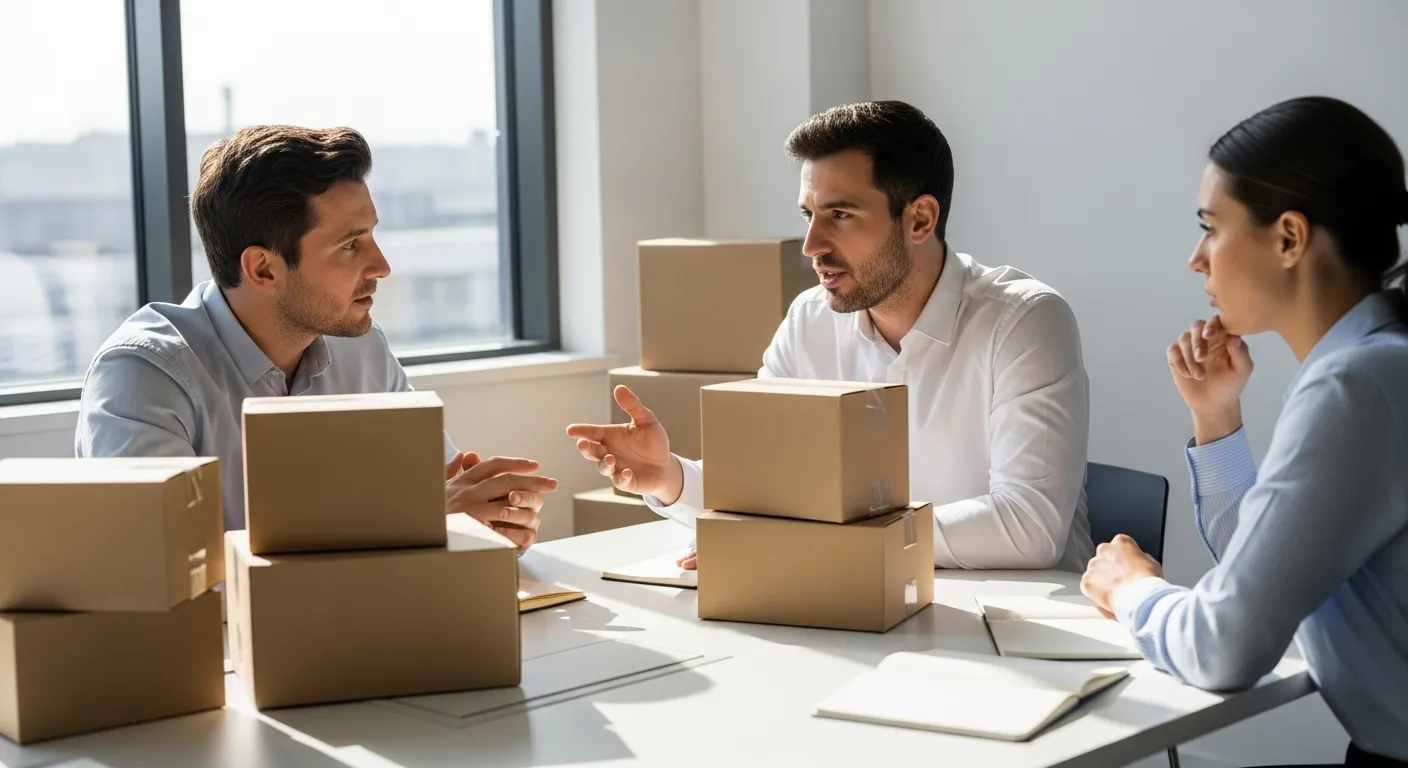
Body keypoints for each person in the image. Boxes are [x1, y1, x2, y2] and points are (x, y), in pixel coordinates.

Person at [568, 101, 1094, 571]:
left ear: (919, 218)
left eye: (839, 215)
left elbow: (1028, 527)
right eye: (808, 215)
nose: (811, 244)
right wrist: (669, 477)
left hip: (1010, 628)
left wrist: (818, 543)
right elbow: (757, 487)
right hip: (853, 606)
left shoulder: (1025, 322)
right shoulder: (809, 320)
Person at [1080, 97, 1408, 767]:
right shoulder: (1370, 366)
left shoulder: (1360, 385)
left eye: (1210, 227)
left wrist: (1130, 587)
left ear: (1289, 238)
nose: (1197, 259)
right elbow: (1277, 570)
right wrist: (1216, 417)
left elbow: (1224, 646)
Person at [75, 125, 555, 551]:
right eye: (351, 245)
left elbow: (443, 495)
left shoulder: (361, 348)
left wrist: (489, 521)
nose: (382, 267)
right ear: (263, 268)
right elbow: (167, 569)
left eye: (371, 236)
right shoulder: (143, 374)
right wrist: (422, 523)